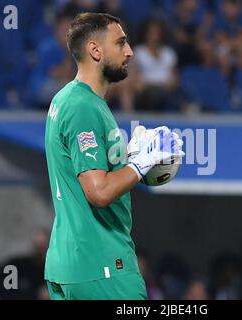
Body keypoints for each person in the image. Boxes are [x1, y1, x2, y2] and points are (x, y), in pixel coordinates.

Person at [44, 12, 184, 300]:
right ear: (95, 50)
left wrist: (128, 156)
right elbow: (99, 191)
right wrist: (142, 162)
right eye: (121, 43)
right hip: (102, 263)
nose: (130, 51)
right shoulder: (84, 107)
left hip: (70, 262)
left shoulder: (67, 99)